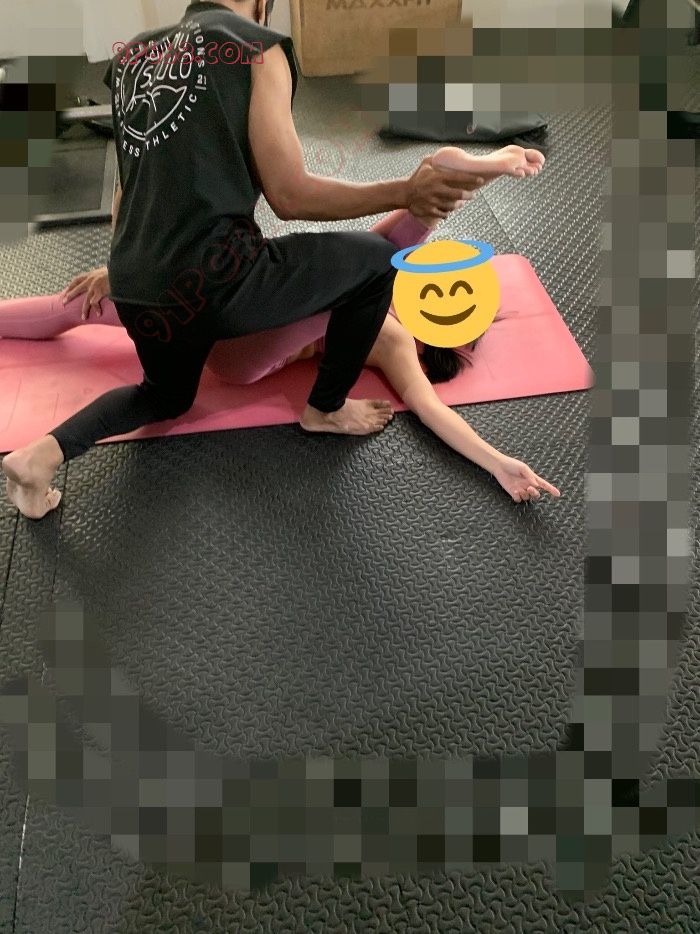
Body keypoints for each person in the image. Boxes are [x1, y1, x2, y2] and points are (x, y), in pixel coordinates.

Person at [2, 0, 489, 520]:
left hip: (138, 281)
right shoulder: (257, 48)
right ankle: (325, 409)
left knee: (164, 396)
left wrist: (121, 263)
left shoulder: (131, 57)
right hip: (220, 284)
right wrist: (405, 190)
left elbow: (129, 186)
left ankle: (41, 455)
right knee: (378, 261)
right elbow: (290, 195)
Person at [1, 144, 559, 504]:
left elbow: (433, 410)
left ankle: (438, 192)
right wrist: (126, 271)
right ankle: (438, 190)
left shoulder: (393, 338)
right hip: (223, 297)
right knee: (81, 300)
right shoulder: (379, 305)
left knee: (375, 258)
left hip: (239, 343)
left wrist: (498, 464)